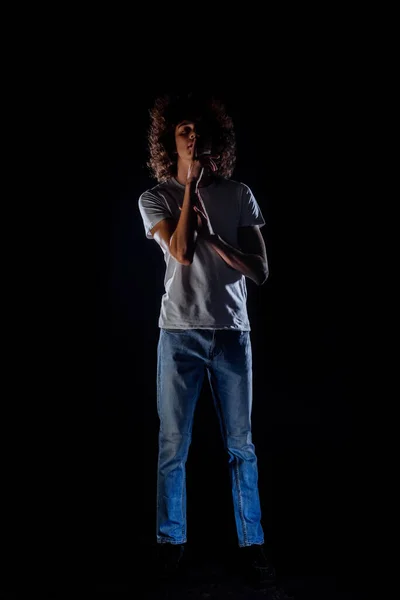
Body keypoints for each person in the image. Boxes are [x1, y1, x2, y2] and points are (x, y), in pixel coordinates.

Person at [138, 92, 274, 582]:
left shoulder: (239, 193)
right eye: (184, 132)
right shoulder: (154, 197)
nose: (193, 138)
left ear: (214, 139)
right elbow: (181, 252)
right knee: (173, 445)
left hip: (232, 335)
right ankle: (170, 544)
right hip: (178, 337)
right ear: (169, 141)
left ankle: (252, 544)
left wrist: (217, 236)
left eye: (199, 132)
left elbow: (260, 270)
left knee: (241, 446)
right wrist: (190, 190)